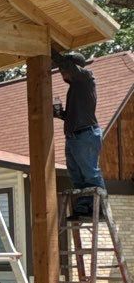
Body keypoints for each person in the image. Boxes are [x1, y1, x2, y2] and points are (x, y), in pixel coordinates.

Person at [53, 51, 105, 215]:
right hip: (75, 136)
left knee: (90, 173)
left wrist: (50, 47)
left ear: (74, 67)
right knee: (76, 173)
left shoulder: (85, 78)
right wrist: (60, 113)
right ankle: (85, 204)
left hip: (85, 134)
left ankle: (100, 206)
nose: (62, 73)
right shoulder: (76, 87)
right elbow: (72, 116)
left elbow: (66, 64)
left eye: (64, 70)